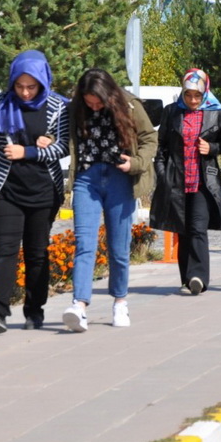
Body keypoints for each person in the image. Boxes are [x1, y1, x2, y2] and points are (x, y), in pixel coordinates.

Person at [0, 50, 70, 333]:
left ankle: (35, 310)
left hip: (43, 190)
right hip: (3, 188)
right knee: (5, 250)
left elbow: (63, 148)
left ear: (43, 83)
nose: (24, 92)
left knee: (37, 253)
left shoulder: (59, 106)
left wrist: (29, 152)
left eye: (31, 87)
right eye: (19, 86)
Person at [63, 68, 157, 332]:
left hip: (120, 179)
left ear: (109, 95)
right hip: (86, 180)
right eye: (88, 101)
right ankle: (79, 306)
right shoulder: (75, 108)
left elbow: (150, 138)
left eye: (98, 102)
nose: (93, 106)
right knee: (84, 244)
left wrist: (136, 163)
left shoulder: (129, 105)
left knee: (118, 247)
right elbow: (62, 135)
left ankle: (120, 302)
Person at [150, 69, 221, 296]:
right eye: (188, 95)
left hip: (203, 181)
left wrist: (211, 148)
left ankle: (199, 278)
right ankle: (186, 279)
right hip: (177, 179)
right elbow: (161, 146)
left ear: (205, 92)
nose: (193, 100)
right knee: (182, 230)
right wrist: (163, 174)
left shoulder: (216, 113)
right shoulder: (171, 112)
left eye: (197, 95)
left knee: (197, 228)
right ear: (182, 93)